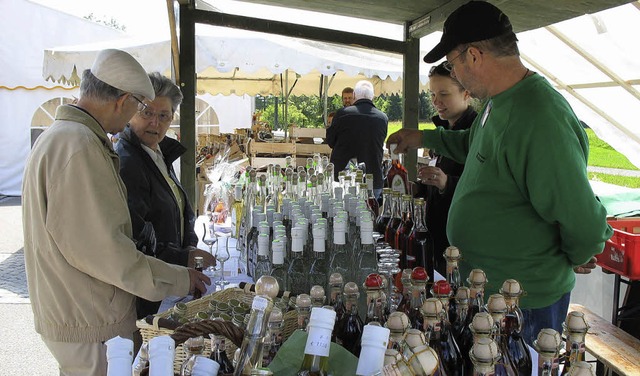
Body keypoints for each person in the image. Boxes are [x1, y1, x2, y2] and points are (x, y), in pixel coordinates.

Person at [387, 1, 611, 345]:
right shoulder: (498, 102)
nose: (456, 74)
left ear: (474, 56)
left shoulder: (539, 116)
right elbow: (475, 147)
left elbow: (583, 221)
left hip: (522, 306)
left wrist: (577, 254)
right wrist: (423, 137)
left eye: (454, 64)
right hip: (486, 294)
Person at [22, 49, 210, 375]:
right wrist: (179, 276)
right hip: (91, 321)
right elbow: (105, 250)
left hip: (82, 315)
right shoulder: (78, 145)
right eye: (141, 107)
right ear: (123, 101)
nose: (143, 118)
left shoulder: (66, 137)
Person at [116, 72, 216, 320]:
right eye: (147, 113)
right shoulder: (128, 162)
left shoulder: (158, 152)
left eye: (164, 116)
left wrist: (190, 244)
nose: (155, 123)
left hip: (169, 279)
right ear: (132, 111)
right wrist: (184, 256)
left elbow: (180, 210)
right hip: (149, 290)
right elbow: (135, 238)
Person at [413, 62, 477, 277]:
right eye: (432, 94)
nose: (436, 102)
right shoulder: (442, 130)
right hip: (437, 236)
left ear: (466, 93)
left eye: (444, 94)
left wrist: (447, 183)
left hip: (461, 245)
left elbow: (486, 185)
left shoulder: (476, 133)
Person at [327, 80, 388, 198]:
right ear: (373, 97)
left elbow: (330, 141)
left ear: (354, 95)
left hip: (343, 178)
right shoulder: (382, 118)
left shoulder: (342, 114)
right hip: (372, 178)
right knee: (371, 214)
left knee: (341, 214)